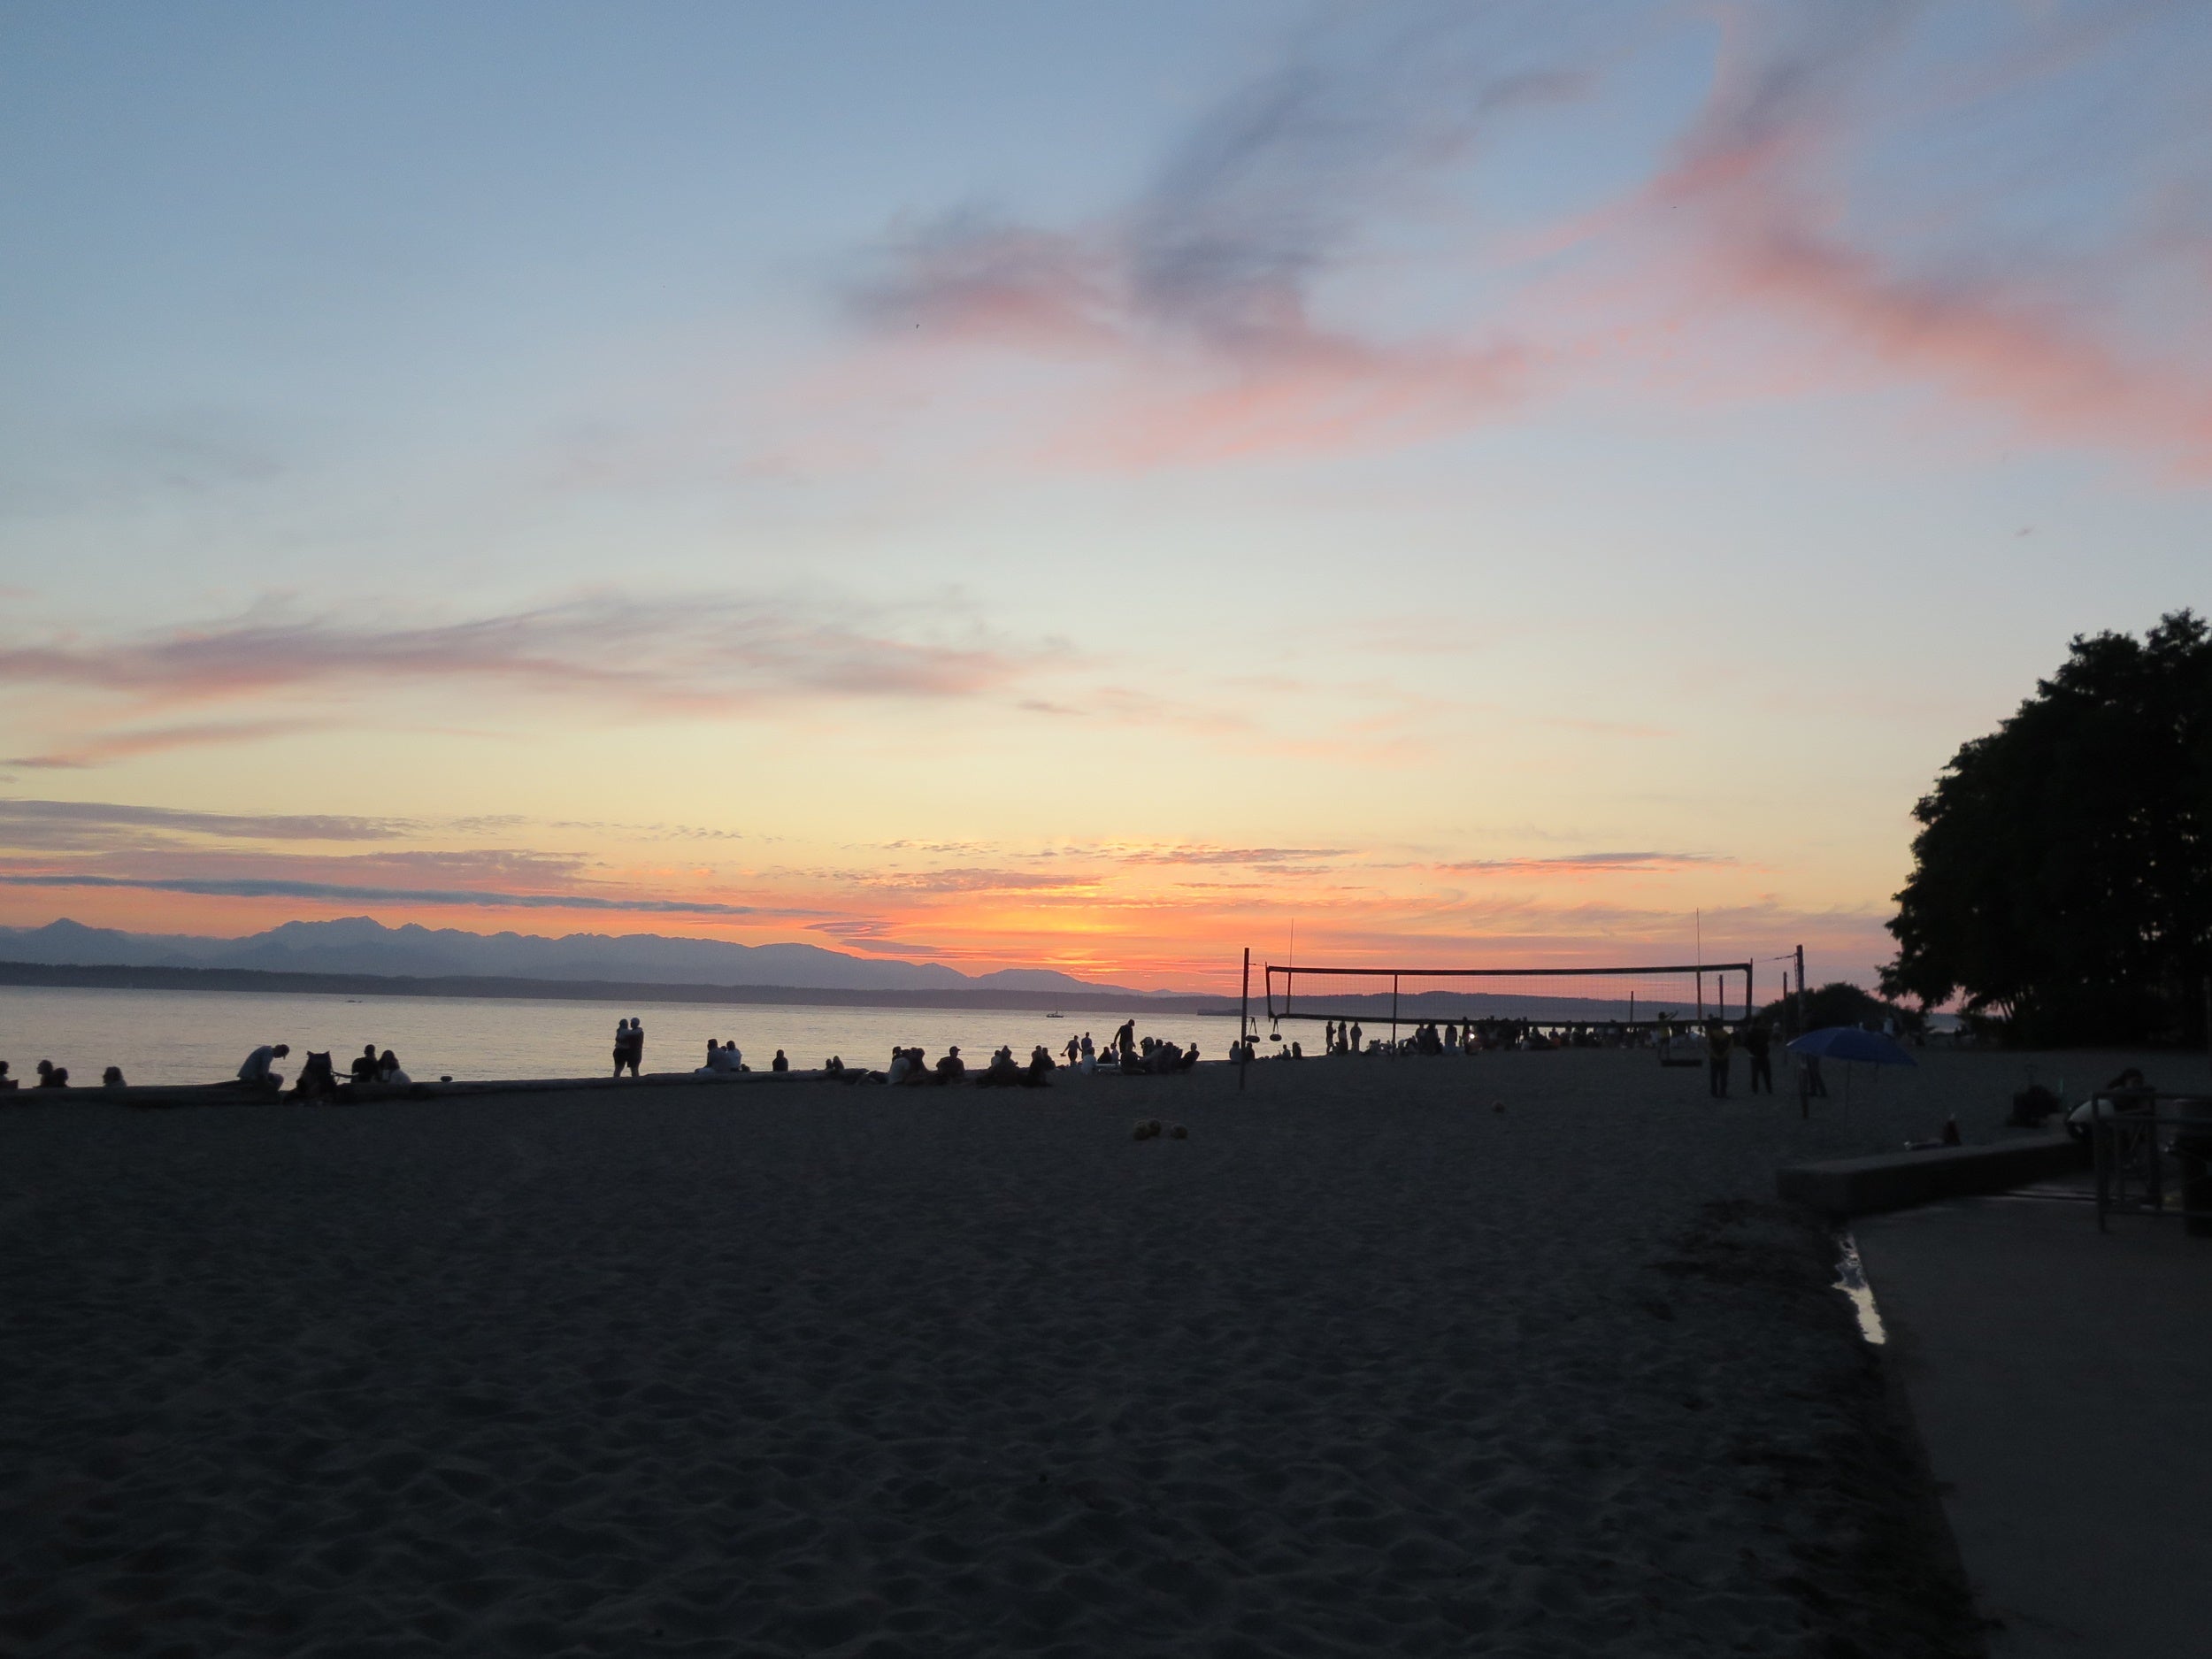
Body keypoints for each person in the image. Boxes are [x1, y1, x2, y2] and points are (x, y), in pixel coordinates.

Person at [1743, 1022, 1773, 1094]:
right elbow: (1767, 1039)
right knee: (1765, 1073)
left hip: (1757, 1055)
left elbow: (1746, 1043)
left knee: (1756, 1074)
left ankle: (1756, 1089)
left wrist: (1751, 1051)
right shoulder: (1761, 1032)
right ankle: (1767, 1089)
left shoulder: (1752, 1033)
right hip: (1761, 1055)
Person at [1707, 1019, 1733, 1098]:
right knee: (1723, 1077)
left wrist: (1714, 1055)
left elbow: (1709, 1047)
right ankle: (1723, 1093)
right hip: (1724, 1059)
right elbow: (1730, 1048)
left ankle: (1714, 1092)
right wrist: (1724, 1055)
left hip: (1713, 1059)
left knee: (1714, 1076)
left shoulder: (1710, 1035)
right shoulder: (1727, 1035)